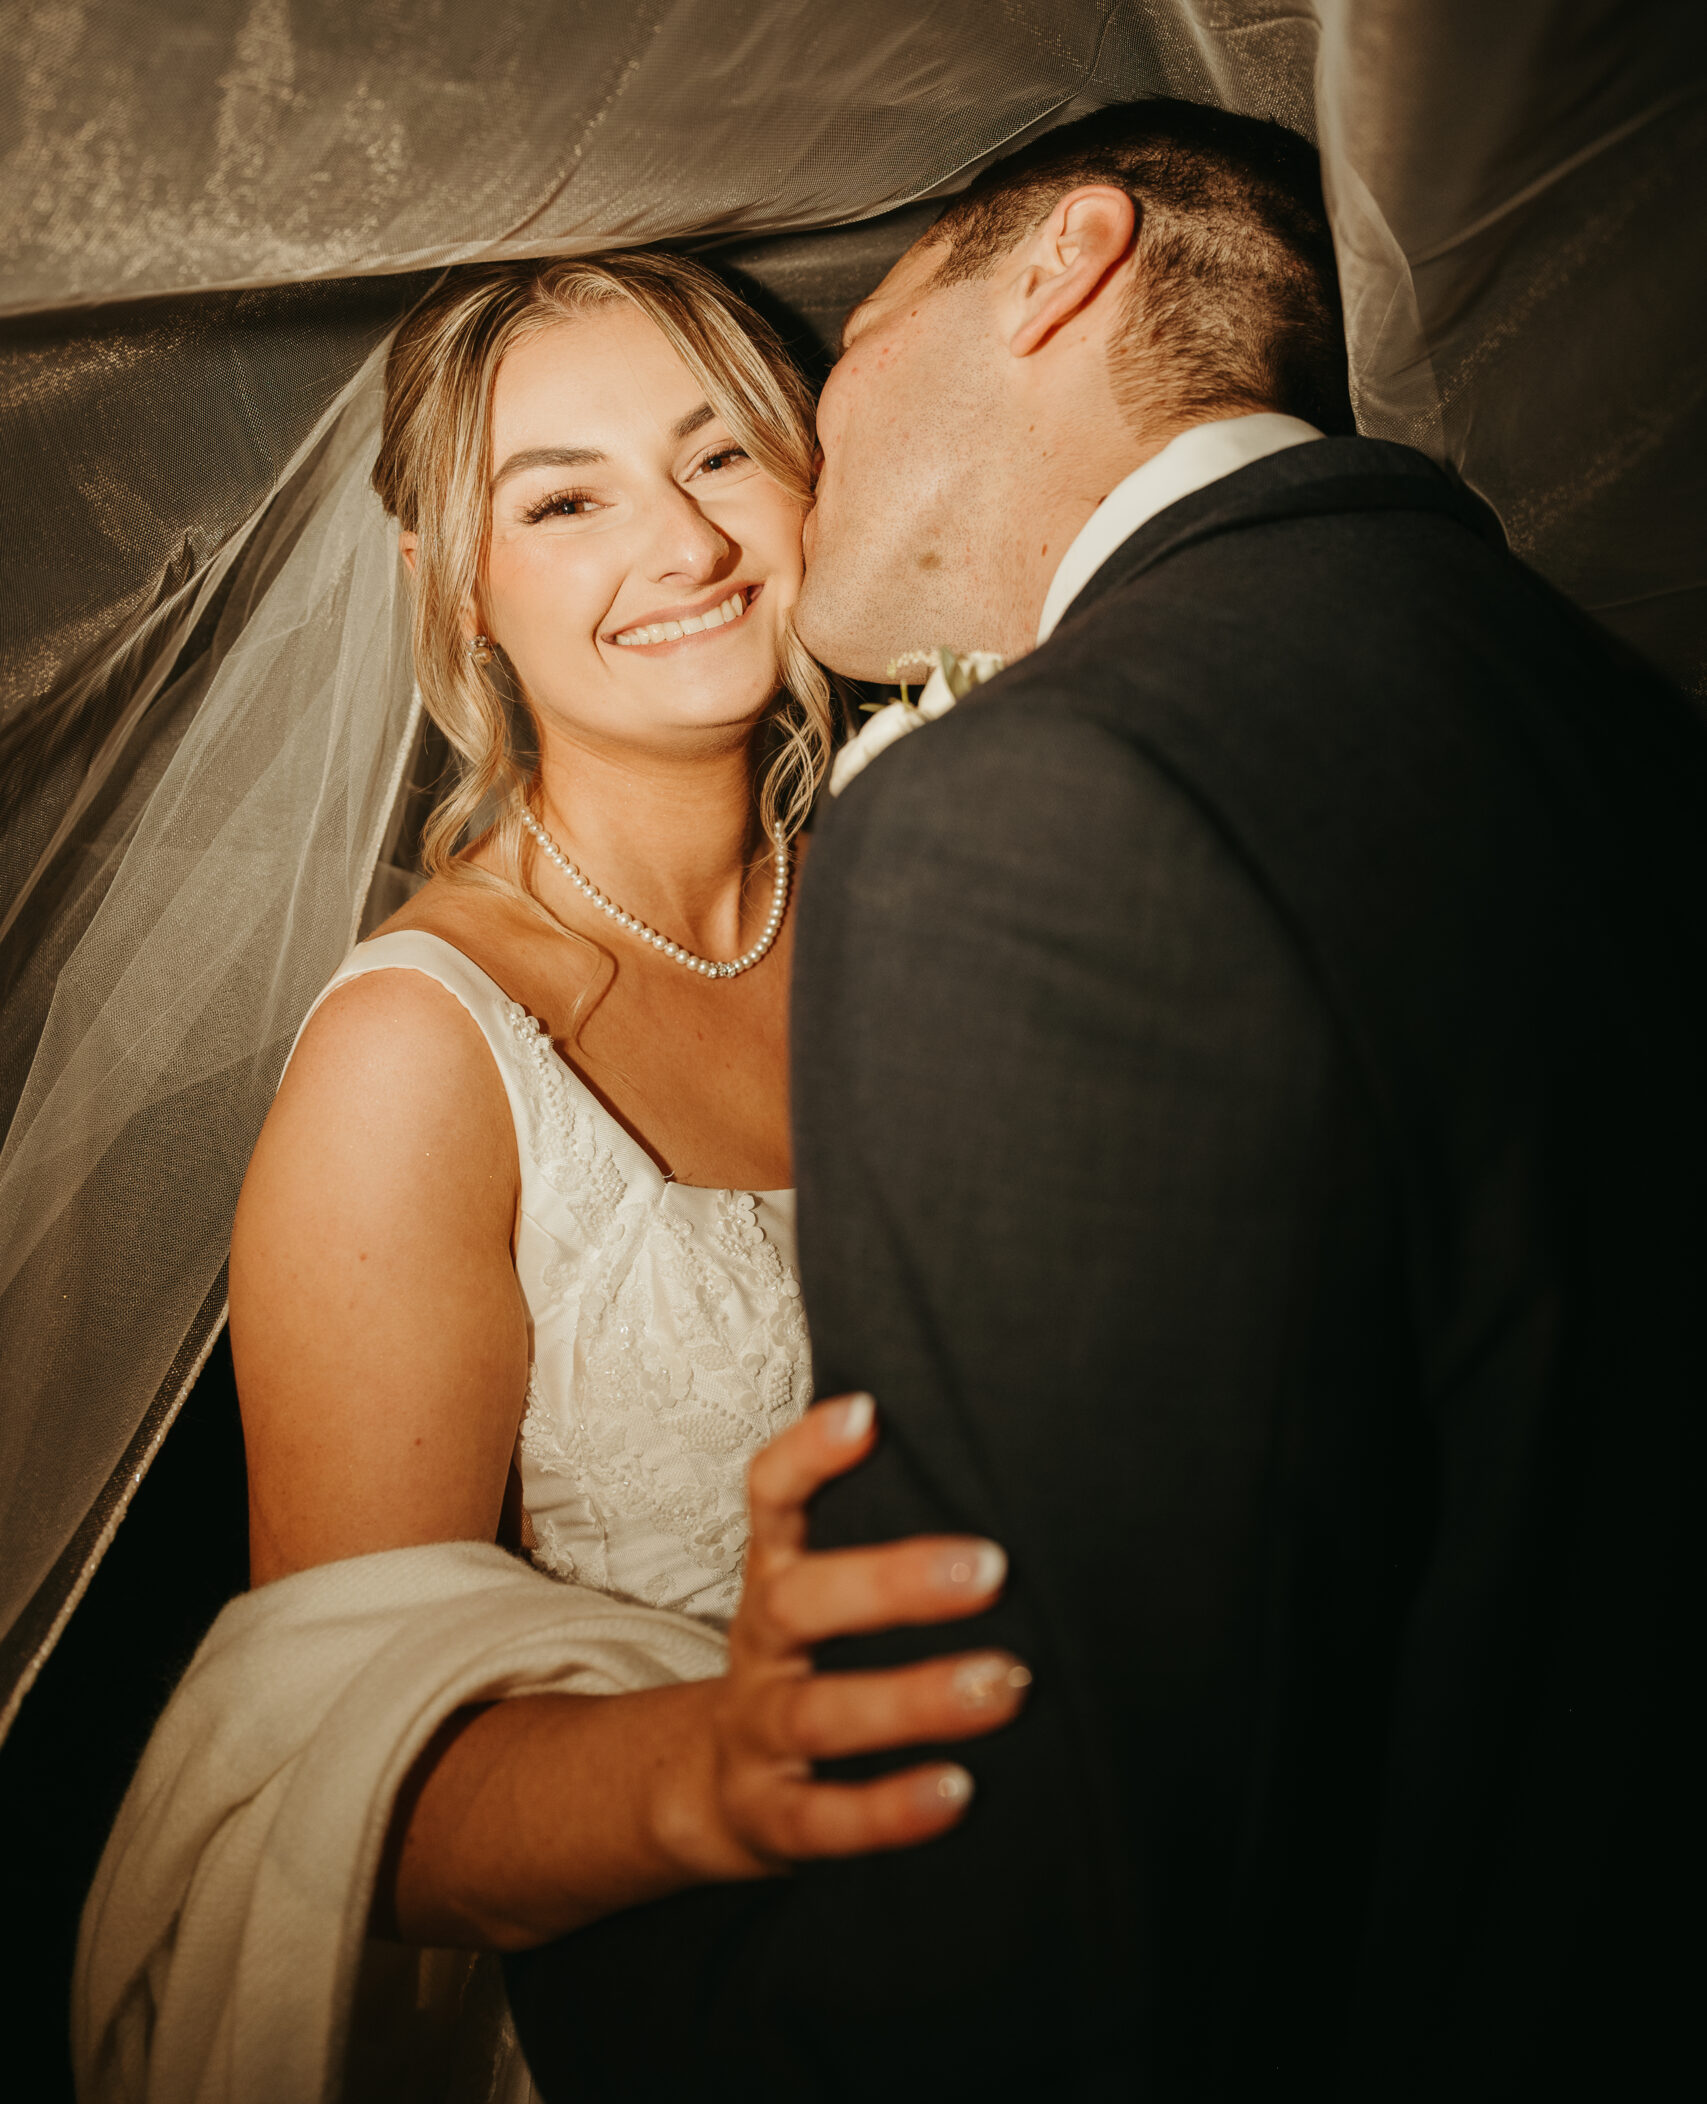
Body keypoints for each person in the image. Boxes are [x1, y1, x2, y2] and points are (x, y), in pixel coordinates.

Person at [504, 103, 1707, 2102]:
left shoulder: (1029, 807)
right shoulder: (1603, 705)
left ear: (1063, 262)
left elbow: (1067, 1932)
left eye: (851, 342)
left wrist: (593, 1974)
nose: (798, 454)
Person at [73, 253, 1027, 2104]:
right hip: (682, 2019)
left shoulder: (953, 878)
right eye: (565, 501)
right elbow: (334, 1781)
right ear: (459, 591)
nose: (683, 543)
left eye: (720, 455)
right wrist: (724, 1766)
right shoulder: (421, 1054)